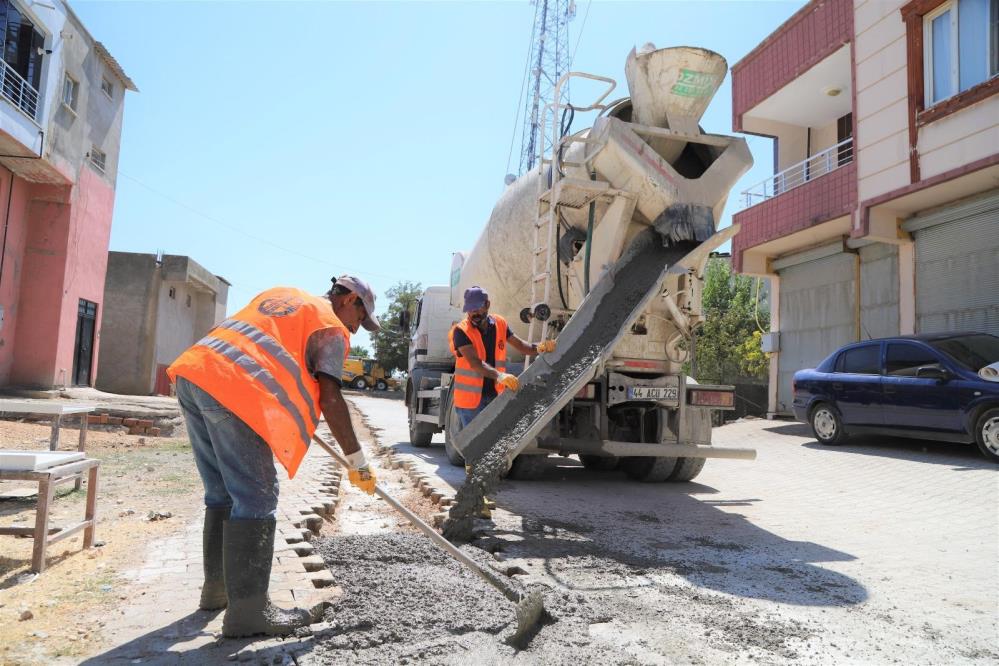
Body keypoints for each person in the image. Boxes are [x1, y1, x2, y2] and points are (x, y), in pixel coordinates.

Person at [167, 276, 380, 638]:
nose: (356, 330)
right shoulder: (330, 326)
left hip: (195, 374)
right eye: (361, 320)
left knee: (221, 494)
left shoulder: (284, 296)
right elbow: (330, 398)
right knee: (257, 497)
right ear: (352, 301)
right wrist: (357, 461)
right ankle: (248, 613)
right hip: (231, 390)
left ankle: (217, 591)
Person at [448, 286, 556, 428]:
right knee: (476, 446)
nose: (473, 312)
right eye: (470, 309)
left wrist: (540, 347)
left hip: (493, 396)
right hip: (470, 403)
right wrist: (500, 376)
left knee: (491, 443)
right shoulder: (461, 331)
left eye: (477, 307)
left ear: (487, 304)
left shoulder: (500, 324)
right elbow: (475, 363)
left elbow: (522, 346)